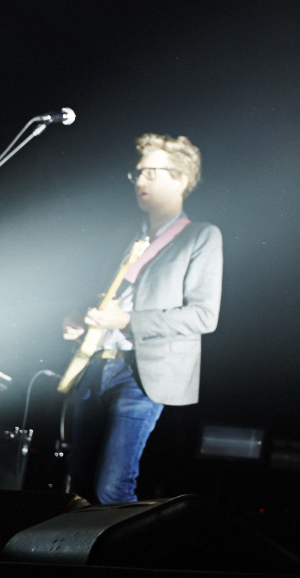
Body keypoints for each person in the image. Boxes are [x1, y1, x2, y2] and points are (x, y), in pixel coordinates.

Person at [62, 134, 223, 504]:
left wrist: (126, 321)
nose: (140, 181)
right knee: (78, 485)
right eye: (136, 173)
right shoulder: (127, 235)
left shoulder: (200, 237)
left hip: (140, 375)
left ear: (181, 179)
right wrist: (81, 318)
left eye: (151, 172)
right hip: (96, 367)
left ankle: (114, 561)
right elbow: (108, 295)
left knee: (112, 487)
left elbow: (204, 315)